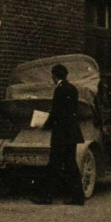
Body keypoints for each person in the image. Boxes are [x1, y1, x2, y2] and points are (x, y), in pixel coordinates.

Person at [32, 63, 85, 205]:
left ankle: (46, 196)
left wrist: (45, 124)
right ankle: (78, 197)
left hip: (61, 134)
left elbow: (57, 112)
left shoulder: (59, 90)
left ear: (54, 76)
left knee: (54, 165)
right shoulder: (73, 89)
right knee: (71, 165)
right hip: (72, 133)